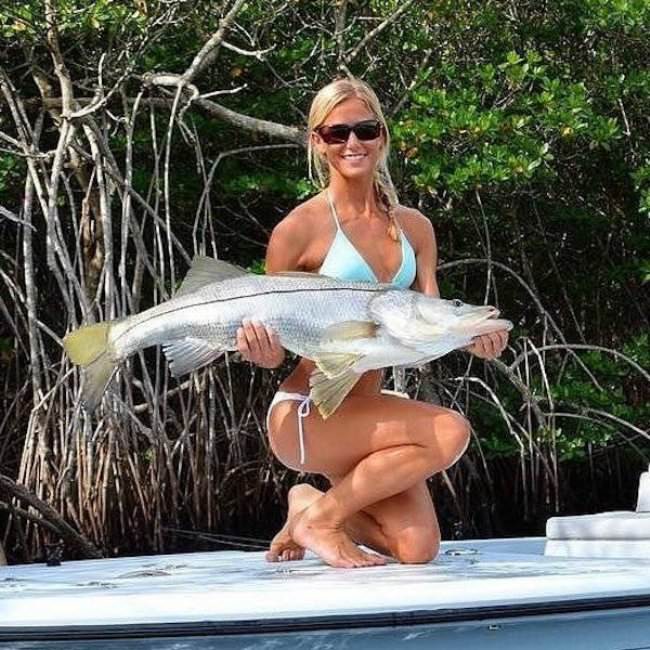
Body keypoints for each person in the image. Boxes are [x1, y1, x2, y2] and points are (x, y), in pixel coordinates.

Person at [235, 78, 509, 569]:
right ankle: (324, 521)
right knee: (448, 431)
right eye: (337, 133)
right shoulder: (298, 229)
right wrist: (263, 352)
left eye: (365, 129)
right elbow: (276, 341)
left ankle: (307, 507)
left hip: (369, 415)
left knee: (417, 549)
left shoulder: (416, 228)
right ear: (317, 142)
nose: (353, 143)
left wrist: (474, 339)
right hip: (307, 412)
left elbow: (430, 324)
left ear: (383, 136)